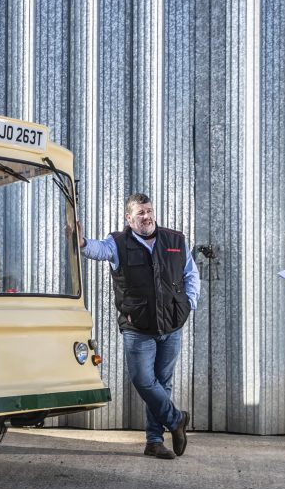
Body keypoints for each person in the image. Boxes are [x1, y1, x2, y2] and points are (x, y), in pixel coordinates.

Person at [77, 193, 200, 459]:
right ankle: (176, 419)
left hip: (171, 325)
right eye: (140, 213)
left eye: (149, 211)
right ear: (128, 218)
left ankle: (154, 442)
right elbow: (97, 250)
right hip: (138, 328)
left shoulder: (175, 240)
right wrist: (83, 242)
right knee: (144, 380)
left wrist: (189, 304)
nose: (146, 216)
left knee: (162, 384)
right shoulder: (118, 243)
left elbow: (190, 273)